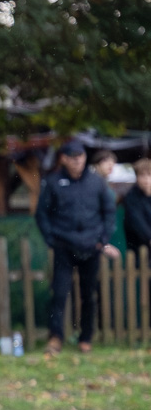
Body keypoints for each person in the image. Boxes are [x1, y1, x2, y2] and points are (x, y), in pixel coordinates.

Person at [36, 140, 120, 353]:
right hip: (63, 246)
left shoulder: (96, 182)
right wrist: (50, 239)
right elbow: (42, 213)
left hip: (91, 246)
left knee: (88, 294)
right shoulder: (53, 182)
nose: (77, 161)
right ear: (64, 159)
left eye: (80, 157)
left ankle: (86, 338)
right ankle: (56, 337)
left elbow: (109, 211)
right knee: (59, 293)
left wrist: (103, 238)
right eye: (73, 157)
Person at [125, 157, 151, 258]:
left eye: (149, 174)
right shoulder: (131, 197)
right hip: (139, 248)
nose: (146, 179)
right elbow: (137, 222)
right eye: (142, 175)